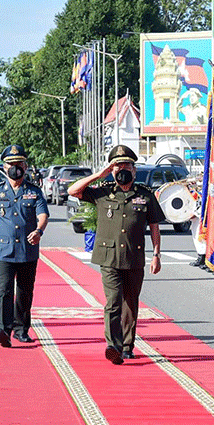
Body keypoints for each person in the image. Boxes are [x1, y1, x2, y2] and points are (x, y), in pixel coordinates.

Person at [68, 145, 165, 365]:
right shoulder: (102, 191)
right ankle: (113, 346)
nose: (122, 169)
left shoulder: (145, 194)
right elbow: (73, 191)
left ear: (134, 169)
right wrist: (98, 174)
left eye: (126, 166)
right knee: (113, 302)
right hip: (108, 257)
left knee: (131, 303)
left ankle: (127, 346)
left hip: (134, 257)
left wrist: (157, 254)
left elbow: (154, 225)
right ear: (111, 170)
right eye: (117, 166)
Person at [0, 145, 49, 347]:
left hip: (27, 249)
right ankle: (3, 330)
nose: (16, 168)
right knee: (4, 289)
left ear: (25, 166)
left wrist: (39, 230)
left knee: (25, 291)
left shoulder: (34, 191)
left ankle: (21, 330)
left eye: (19, 164)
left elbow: (43, 215)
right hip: (3, 249)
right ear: (4, 167)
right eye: (11, 164)